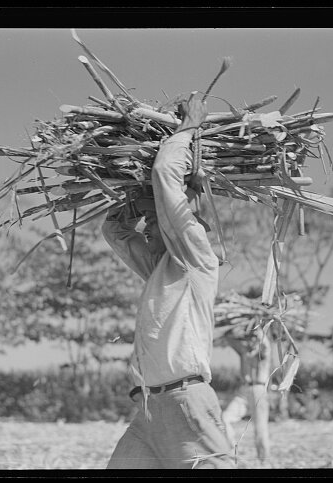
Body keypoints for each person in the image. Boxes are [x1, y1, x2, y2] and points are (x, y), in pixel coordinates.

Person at [101, 95, 235, 469]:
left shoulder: (194, 260)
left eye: (153, 221)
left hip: (186, 403)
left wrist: (189, 127)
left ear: (180, 226)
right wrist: (130, 197)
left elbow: (164, 177)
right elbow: (114, 231)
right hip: (148, 408)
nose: (146, 228)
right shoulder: (160, 269)